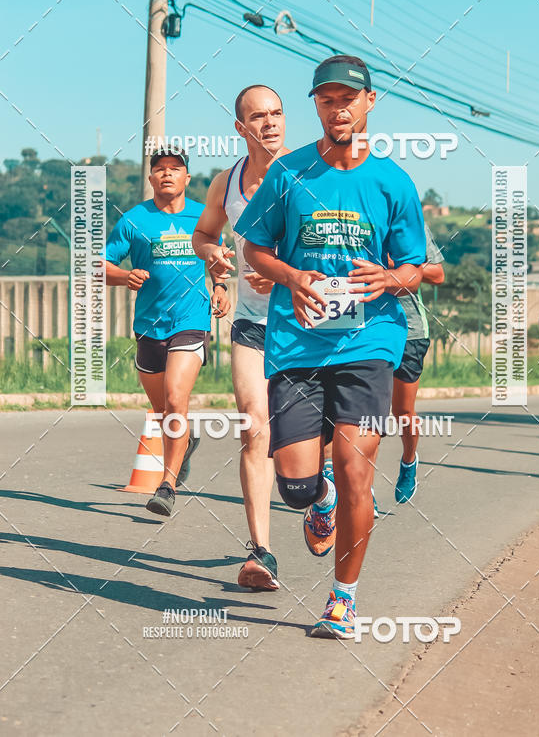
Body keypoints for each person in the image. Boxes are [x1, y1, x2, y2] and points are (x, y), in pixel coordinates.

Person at [236, 54, 426, 638]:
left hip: (369, 341)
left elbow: (416, 265)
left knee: (355, 474)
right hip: (297, 345)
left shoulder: (392, 180)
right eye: (326, 100)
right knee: (295, 485)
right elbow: (254, 250)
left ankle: (341, 600)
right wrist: (292, 278)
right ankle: (314, 500)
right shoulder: (289, 173)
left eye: (348, 98)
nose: (337, 109)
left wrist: (389, 279)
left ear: (369, 103)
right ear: (316, 106)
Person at [192, 85, 288, 591]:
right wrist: (216, 258)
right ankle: (261, 553)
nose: (270, 123)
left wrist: (286, 274)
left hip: (310, 328)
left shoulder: (312, 176)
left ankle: (320, 496)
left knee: (303, 460)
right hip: (251, 326)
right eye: (259, 116)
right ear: (240, 128)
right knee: (254, 427)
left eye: (276, 114)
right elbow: (204, 234)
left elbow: (341, 246)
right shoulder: (226, 184)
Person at [104, 146, 229, 515]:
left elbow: (217, 259)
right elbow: (99, 267)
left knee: (176, 399)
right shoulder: (133, 220)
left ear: (187, 177)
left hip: (191, 321)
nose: (167, 174)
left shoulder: (203, 217)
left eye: (176, 169)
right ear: (151, 177)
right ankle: (184, 443)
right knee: (162, 410)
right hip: (149, 326)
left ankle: (167, 486)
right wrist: (125, 275)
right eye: (160, 169)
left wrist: (219, 287)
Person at [393, 224, 445, 503]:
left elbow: (438, 274)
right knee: (363, 412)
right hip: (362, 329)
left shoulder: (412, 223)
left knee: (402, 411)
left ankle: (409, 461)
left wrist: (404, 269)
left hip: (409, 331)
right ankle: (364, 490)